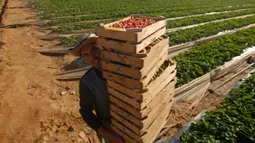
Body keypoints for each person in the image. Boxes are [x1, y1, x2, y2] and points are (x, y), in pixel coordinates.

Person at [71, 34, 123, 143]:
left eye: (94, 50)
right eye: (86, 55)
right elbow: (86, 112)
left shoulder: (123, 70)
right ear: (84, 59)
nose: (92, 58)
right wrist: (109, 135)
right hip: (112, 130)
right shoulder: (87, 82)